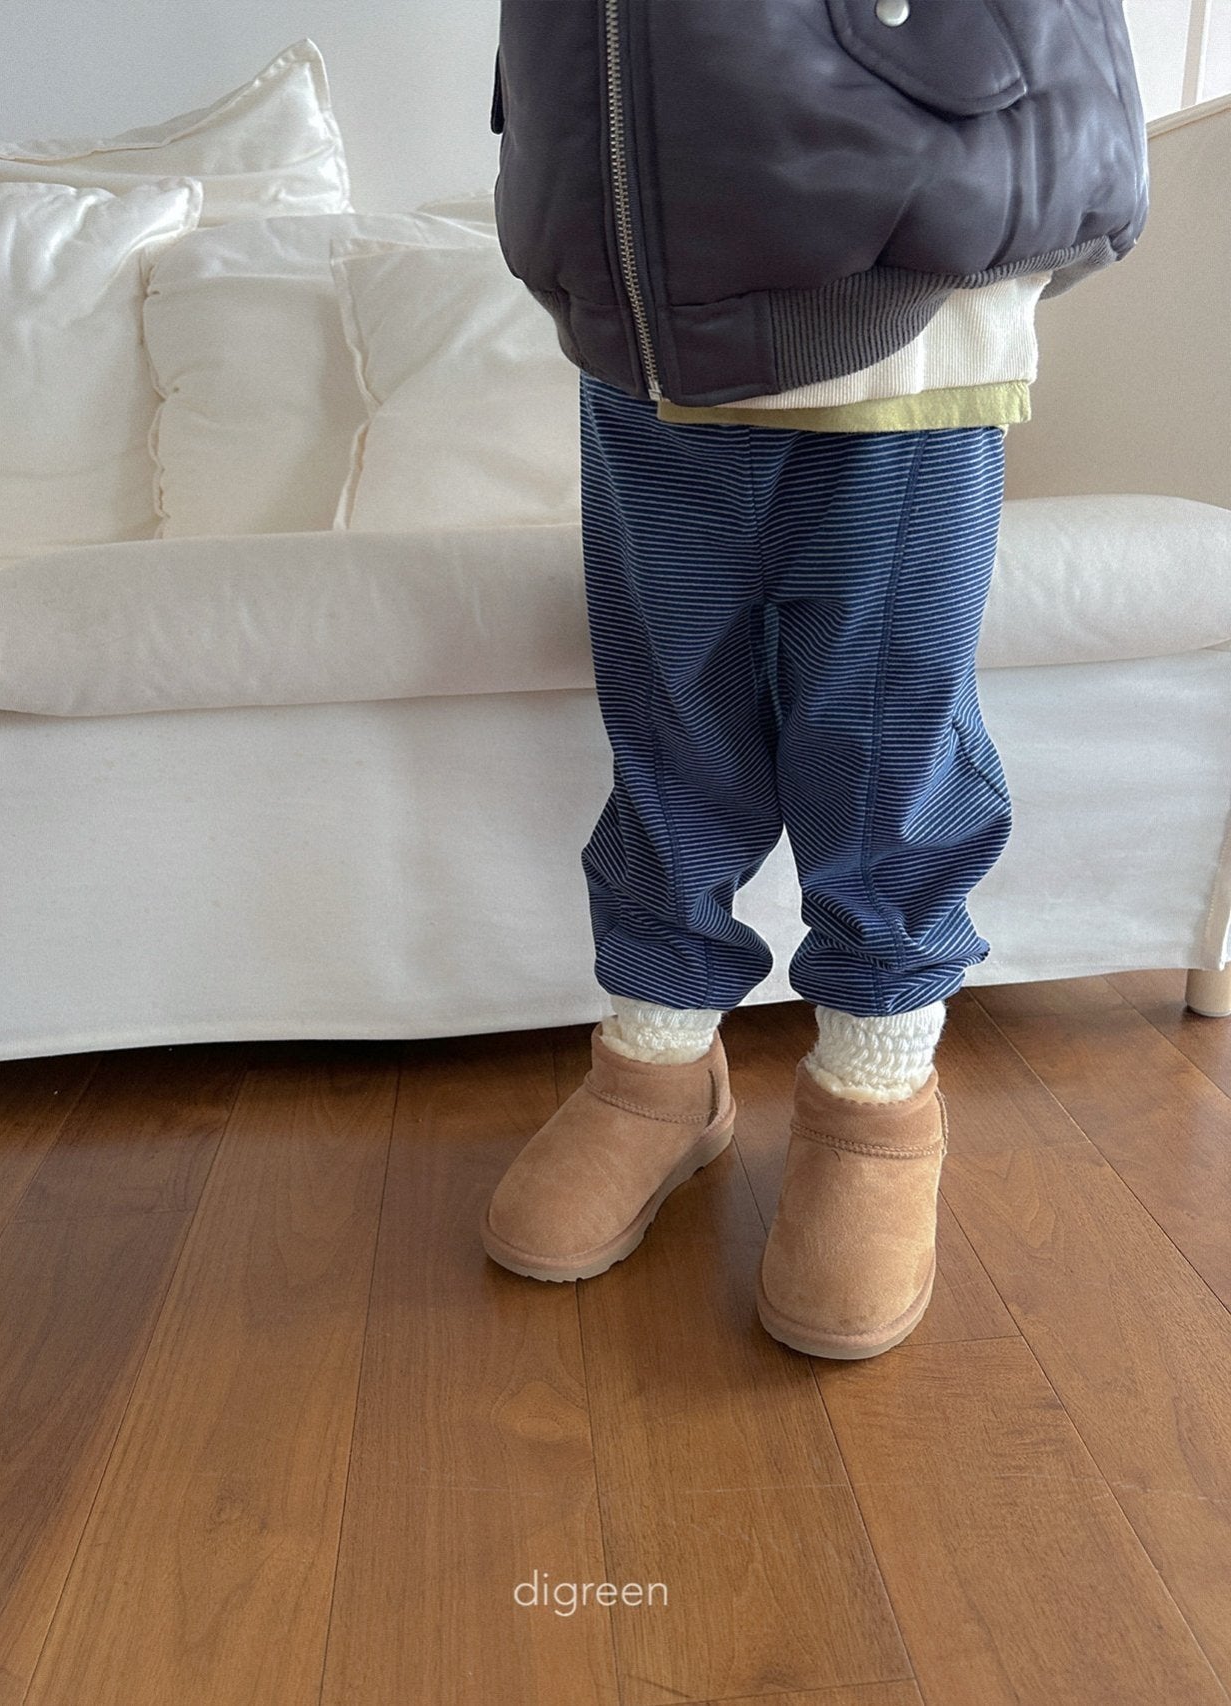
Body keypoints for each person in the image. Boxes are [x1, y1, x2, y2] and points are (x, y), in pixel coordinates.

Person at [479, 0, 1149, 1359]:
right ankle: (658, 1065)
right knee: (669, 722)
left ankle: (876, 1089)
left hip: (903, 303)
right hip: (638, 290)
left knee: (884, 740)